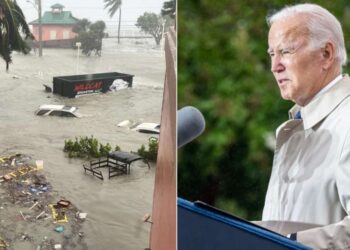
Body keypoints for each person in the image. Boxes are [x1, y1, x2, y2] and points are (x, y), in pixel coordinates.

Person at [262, 3, 350, 249]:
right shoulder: (291, 128)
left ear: (326, 54)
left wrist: (289, 243)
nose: (275, 66)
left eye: (286, 51)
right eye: (272, 54)